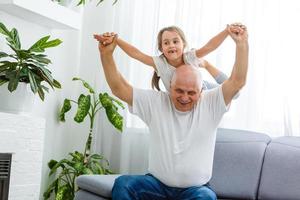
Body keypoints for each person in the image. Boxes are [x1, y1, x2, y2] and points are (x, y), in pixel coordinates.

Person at [95, 23, 248, 200]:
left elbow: (237, 81)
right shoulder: (157, 101)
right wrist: (106, 54)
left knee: (206, 198)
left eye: (191, 93)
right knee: (124, 184)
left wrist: (241, 44)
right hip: (156, 185)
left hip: (196, 190)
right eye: (179, 91)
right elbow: (119, 88)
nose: (184, 97)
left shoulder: (210, 102)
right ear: (169, 87)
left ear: (201, 91)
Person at [94, 24, 240, 91]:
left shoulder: (189, 57)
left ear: (184, 44)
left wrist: (227, 31)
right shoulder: (160, 63)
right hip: (183, 99)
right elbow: (136, 53)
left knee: (235, 93)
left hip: (203, 90)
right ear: (161, 48)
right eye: (166, 43)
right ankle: (205, 64)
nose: (171, 46)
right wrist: (116, 39)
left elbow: (210, 46)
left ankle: (206, 64)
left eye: (175, 41)